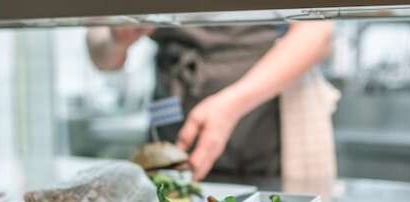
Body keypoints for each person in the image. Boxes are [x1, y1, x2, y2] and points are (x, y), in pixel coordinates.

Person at [86, 23, 334, 182]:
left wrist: (232, 105)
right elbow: (101, 55)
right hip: (169, 120)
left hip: (264, 125)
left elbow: (317, 31)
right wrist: (116, 37)